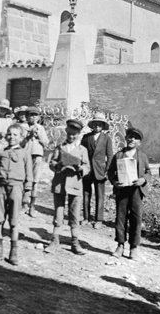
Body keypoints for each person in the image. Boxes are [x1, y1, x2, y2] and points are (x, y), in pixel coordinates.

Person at [44, 119, 90, 255]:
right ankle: (54, 240)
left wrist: (81, 168)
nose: (71, 137)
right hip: (60, 183)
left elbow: (87, 166)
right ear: (66, 133)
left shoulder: (82, 150)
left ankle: (75, 242)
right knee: (58, 212)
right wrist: (56, 165)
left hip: (75, 184)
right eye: (69, 134)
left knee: (74, 213)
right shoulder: (60, 147)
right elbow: (52, 162)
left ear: (79, 135)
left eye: (74, 135)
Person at [0, 124, 33, 266]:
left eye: (15, 135)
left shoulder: (25, 153)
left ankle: (13, 251)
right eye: (9, 134)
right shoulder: (1, 152)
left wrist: (27, 193)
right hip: (1, 188)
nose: (11, 137)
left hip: (16, 188)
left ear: (21, 138)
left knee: (14, 221)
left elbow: (29, 175)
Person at [108, 127, 151, 261]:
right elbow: (110, 172)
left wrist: (143, 179)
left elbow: (148, 172)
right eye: (130, 137)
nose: (132, 139)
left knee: (136, 218)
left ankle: (134, 247)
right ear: (125, 138)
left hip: (136, 191)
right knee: (121, 218)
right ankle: (120, 245)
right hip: (122, 191)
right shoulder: (119, 155)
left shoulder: (142, 156)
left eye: (136, 138)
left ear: (140, 142)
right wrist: (115, 182)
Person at [81, 112, 113, 229]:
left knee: (100, 195)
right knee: (86, 193)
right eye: (95, 124)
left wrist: (107, 170)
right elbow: (81, 153)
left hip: (100, 170)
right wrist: (82, 167)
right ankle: (86, 217)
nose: (97, 127)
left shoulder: (106, 139)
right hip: (87, 169)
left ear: (103, 127)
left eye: (100, 125)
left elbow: (110, 156)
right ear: (92, 125)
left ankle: (99, 219)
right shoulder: (86, 138)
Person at [22, 106, 49, 217]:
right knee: (24, 179)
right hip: (25, 155)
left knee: (35, 181)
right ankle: (24, 204)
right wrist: (28, 136)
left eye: (35, 115)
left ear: (38, 117)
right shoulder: (22, 127)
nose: (33, 117)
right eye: (31, 115)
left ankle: (32, 206)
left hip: (37, 155)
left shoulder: (40, 128)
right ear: (27, 116)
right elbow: (20, 143)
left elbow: (46, 143)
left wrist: (38, 136)